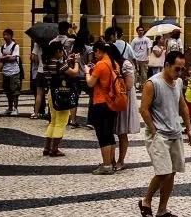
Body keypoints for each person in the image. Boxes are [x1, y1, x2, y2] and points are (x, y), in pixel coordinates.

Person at [138, 50, 191, 217]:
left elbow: (182, 106)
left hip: (175, 132)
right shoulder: (152, 84)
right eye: (177, 69)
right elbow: (144, 109)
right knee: (163, 172)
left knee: (172, 172)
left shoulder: (177, 84)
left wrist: (189, 128)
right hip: (159, 134)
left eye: (182, 69)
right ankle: (146, 201)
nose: (180, 73)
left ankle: (162, 209)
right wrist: (153, 129)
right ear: (167, 65)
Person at [85, 39, 120, 175]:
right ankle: (110, 162)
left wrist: (88, 71)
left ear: (99, 51)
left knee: (102, 135)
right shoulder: (114, 63)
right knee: (109, 133)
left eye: (95, 52)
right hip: (112, 102)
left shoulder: (101, 64)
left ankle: (106, 165)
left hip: (101, 102)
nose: (94, 55)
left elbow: (90, 83)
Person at [42, 41, 80, 157]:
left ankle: (47, 147)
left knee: (53, 121)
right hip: (62, 94)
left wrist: (66, 61)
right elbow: (74, 73)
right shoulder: (59, 64)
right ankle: (55, 149)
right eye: (61, 51)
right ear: (58, 51)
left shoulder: (48, 62)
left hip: (51, 92)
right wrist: (77, 62)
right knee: (61, 122)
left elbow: (60, 69)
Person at [114, 43, 140, 171]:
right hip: (113, 99)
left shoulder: (125, 64)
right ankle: (111, 159)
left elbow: (129, 85)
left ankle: (121, 160)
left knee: (122, 131)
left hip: (124, 98)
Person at [0, 29, 22, 116]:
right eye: (4, 35)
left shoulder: (15, 46)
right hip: (5, 72)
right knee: (7, 90)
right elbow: (0, 57)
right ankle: (10, 107)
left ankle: (15, 108)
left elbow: (14, 58)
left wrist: (6, 57)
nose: (5, 36)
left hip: (14, 71)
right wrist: (8, 56)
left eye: (7, 35)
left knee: (15, 91)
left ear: (11, 36)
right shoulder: (2, 47)